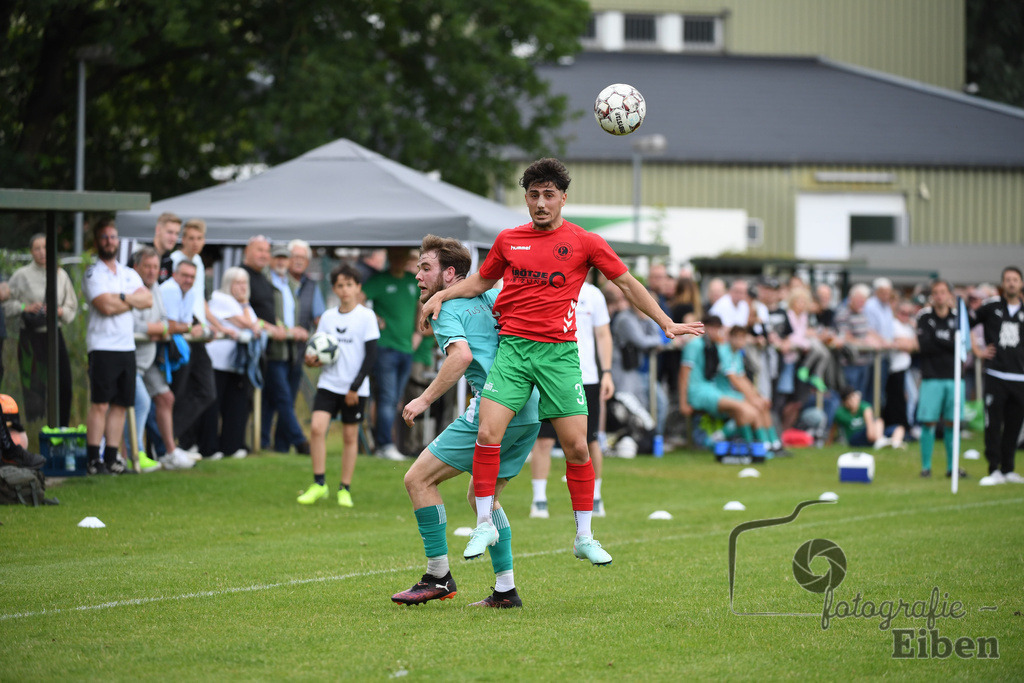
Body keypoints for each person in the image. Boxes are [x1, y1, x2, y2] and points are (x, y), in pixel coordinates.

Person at [422, 158, 704, 565]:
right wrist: (440, 295)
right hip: (515, 350)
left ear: (563, 199)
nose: (540, 203)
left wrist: (666, 323)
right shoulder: (508, 240)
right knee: (488, 432)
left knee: (577, 447)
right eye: (533, 195)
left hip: (559, 355)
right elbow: (482, 281)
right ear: (526, 198)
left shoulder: (585, 242)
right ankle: (484, 521)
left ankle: (584, 536)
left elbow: (625, 281)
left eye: (548, 195)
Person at [394, 235, 540, 607]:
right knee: (481, 498)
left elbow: (460, 357)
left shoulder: (446, 309)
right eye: (417, 269)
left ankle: (438, 576)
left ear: (450, 274)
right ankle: (506, 591)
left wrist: (423, 399)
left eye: (425, 268)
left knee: (418, 479)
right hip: (530, 408)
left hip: (496, 405)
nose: (418, 276)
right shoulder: (489, 296)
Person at [530, 277, 614, 519]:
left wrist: (607, 373)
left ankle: (595, 497)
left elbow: (603, 335)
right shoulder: (545, 287)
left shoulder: (593, 294)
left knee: (590, 441)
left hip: (586, 377)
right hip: (549, 376)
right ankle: (539, 500)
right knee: (543, 440)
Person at [297, 264, 378, 507]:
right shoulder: (328, 318)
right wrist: (311, 361)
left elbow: (370, 356)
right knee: (317, 429)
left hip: (355, 389)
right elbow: (317, 350)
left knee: (350, 436)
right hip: (329, 384)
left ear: (358, 288)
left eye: (349, 285)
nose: (345, 290)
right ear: (334, 289)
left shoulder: (366, 316)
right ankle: (319, 484)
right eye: (340, 285)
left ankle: (345, 488)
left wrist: (354, 388)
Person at [82, 220, 153, 474]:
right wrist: (129, 300)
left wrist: (121, 297)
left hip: (127, 347)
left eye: (113, 237)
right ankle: (94, 459)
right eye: (104, 237)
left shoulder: (129, 273)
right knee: (101, 403)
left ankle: (112, 458)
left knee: (122, 404)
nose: (110, 241)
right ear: (97, 242)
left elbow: (147, 299)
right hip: (102, 346)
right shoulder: (93, 274)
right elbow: (105, 306)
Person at [3, 233, 78, 425]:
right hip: (30, 338)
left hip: (54, 335)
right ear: (31, 252)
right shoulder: (22, 275)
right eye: (37, 248)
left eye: (45, 247)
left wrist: (58, 311)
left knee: (64, 385)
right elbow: (6, 305)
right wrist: (24, 308)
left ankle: (61, 431)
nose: (42, 252)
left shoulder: (60, 275)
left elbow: (71, 307)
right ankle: (34, 433)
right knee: (34, 390)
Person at [363, 247, 421, 461]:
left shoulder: (411, 280)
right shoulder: (379, 280)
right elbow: (358, 299)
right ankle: (384, 445)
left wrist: (417, 333)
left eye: (401, 257)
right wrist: (374, 317)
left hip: (406, 348)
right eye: (394, 257)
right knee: (387, 398)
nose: (398, 261)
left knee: (395, 399)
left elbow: (420, 305)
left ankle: (387, 444)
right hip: (385, 348)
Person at [973, 266, 1024, 486]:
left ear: (1021, 283)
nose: (1011, 283)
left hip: (1020, 378)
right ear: (1003, 283)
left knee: (1014, 425)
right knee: (993, 423)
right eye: (1008, 279)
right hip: (996, 374)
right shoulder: (990, 307)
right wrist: (977, 350)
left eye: (1015, 279)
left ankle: (1008, 468)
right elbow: (965, 325)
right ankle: (993, 468)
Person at [205, 267, 262, 460]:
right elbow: (248, 323)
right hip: (217, 362)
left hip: (236, 365)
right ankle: (209, 447)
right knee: (213, 405)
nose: (242, 287)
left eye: (244, 283)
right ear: (228, 284)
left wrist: (246, 306)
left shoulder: (244, 304)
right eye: (237, 283)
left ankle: (231, 445)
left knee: (236, 405)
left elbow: (254, 324)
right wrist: (247, 309)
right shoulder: (220, 299)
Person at [262, 244, 310, 454]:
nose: (281, 262)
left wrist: (295, 330)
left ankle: (273, 444)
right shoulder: (266, 282)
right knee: (282, 398)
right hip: (273, 348)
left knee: (276, 399)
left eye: (284, 258)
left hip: (291, 350)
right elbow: (266, 311)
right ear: (271, 260)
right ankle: (300, 441)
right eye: (277, 258)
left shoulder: (289, 284)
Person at [915, 281, 966, 479]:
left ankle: (952, 468)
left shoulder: (958, 317)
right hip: (931, 377)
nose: (939, 296)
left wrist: (938, 339)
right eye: (935, 293)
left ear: (949, 295)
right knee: (928, 422)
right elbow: (925, 345)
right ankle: (926, 467)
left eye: (942, 292)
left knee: (952, 423)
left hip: (954, 377)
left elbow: (961, 346)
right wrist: (948, 342)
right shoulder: (924, 317)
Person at [156, 259, 203, 468]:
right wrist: (190, 328)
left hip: (175, 353)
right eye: (184, 275)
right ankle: (164, 449)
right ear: (174, 275)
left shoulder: (189, 292)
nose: (188, 280)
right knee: (163, 399)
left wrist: (190, 327)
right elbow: (174, 325)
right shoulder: (170, 289)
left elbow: (184, 325)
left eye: (192, 277)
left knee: (170, 398)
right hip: (159, 352)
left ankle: (168, 448)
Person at [126, 247, 170, 473]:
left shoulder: (157, 289)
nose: (152, 272)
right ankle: (136, 454)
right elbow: (131, 325)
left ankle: (166, 452)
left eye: (156, 267)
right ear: (136, 267)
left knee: (163, 398)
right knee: (140, 403)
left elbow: (164, 320)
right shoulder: (131, 289)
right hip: (128, 361)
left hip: (146, 363)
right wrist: (156, 329)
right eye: (148, 267)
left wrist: (160, 328)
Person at [287, 238, 326, 413]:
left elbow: (320, 320)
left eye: (302, 257)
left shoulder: (311, 285)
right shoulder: (278, 281)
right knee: (273, 401)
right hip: (273, 352)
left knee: (289, 400)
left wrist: (316, 347)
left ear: (308, 262)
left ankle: (284, 441)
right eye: (294, 256)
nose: (298, 260)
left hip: (298, 353)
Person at [828, 386, 905, 449]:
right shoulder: (840, 413)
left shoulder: (864, 406)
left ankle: (894, 444)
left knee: (899, 428)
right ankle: (881, 441)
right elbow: (833, 429)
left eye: (854, 397)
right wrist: (828, 443)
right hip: (855, 438)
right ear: (844, 402)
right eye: (850, 399)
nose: (854, 400)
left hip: (873, 434)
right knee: (878, 422)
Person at [151, 212, 182, 283]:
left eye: (177, 233)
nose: (173, 238)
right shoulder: (142, 255)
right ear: (158, 230)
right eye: (170, 232)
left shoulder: (169, 260)